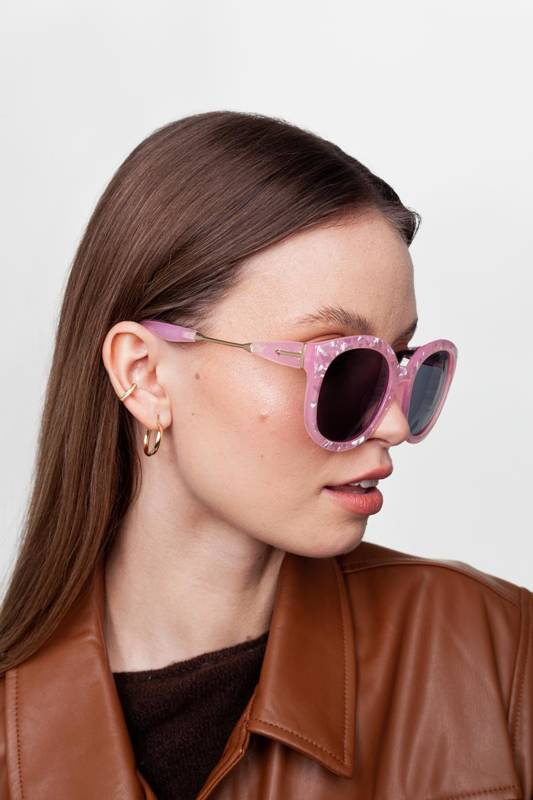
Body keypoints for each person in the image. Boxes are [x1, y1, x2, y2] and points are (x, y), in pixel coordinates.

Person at [0, 110, 530, 800]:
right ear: (146, 376)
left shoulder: (499, 656)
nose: (395, 423)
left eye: (402, 362)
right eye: (339, 365)